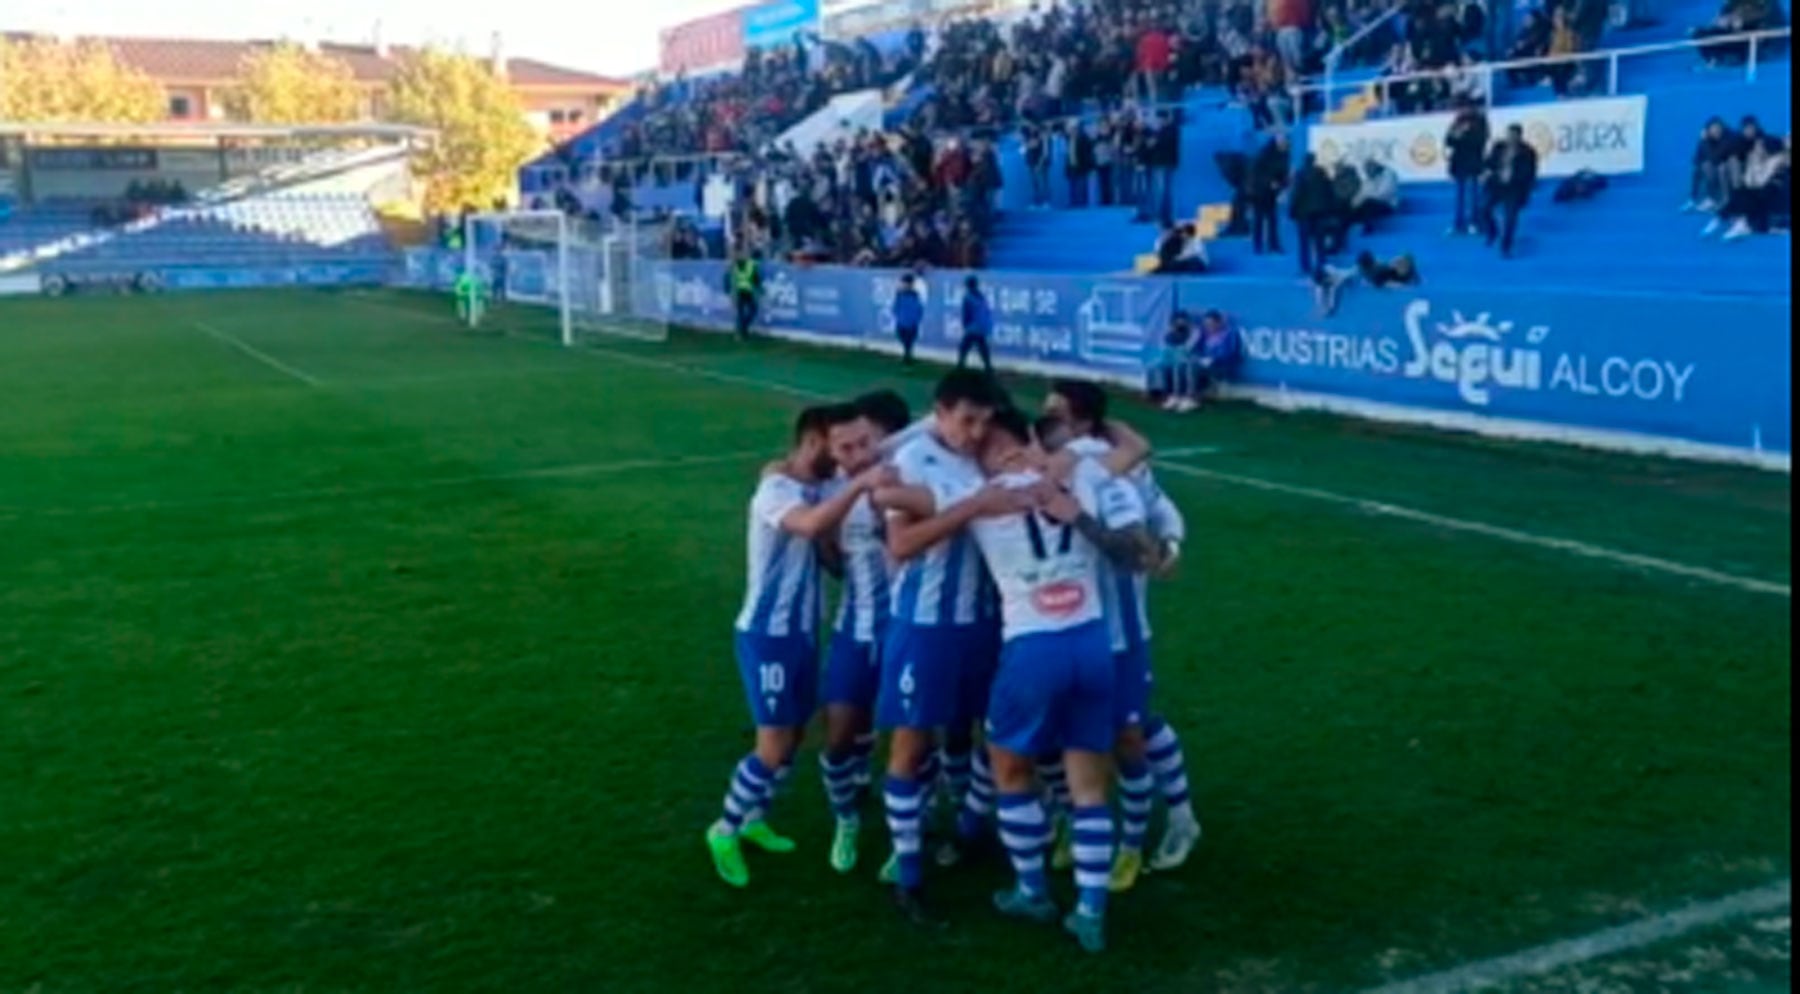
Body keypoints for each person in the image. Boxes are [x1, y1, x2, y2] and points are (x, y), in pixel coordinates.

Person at [964, 407, 1161, 954]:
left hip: (1032, 647)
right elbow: (1134, 552)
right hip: (1092, 643)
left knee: (1009, 766)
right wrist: (1072, 483)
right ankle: (1091, 912)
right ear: (1029, 437)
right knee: (1089, 783)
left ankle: (1032, 890)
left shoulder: (977, 496)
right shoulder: (1082, 476)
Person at [704, 405, 888, 889]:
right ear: (813, 444)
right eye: (838, 449)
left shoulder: (825, 486)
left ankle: (752, 820)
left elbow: (829, 543)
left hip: (803, 633)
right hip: (769, 635)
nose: (847, 458)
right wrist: (858, 487)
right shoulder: (776, 489)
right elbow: (807, 525)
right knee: (775, 743)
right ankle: (723, 830)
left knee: (793, 733)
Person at [870, 371, 1018, 925]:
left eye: (985, 421)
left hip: (985, 626)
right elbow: (902, 544)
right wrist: (973, 506)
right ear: (940, 413)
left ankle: (970, 831)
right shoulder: (910, 461)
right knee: (910, 747)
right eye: (966, 419)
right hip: (924, 629)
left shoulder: (983, 456)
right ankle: (909, 877)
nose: (977, 432)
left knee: (995, 737)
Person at [1036, 385, 1201, 879]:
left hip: (1119, 626)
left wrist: (1171, 541)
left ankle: (1163, 826)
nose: (1042, 420)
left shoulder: (1118, 469)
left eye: (1054, 414)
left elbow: (1160, 510)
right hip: (1058, 625)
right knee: (1062, 732)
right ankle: (1073, 818)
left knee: (1129, 734)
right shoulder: (1037, 464)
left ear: (1082, 425)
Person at [818, 398, 907, 874]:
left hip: (909, 632)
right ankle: (846, 819)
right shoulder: (831, 493)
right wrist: (826, 543)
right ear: (833, 451)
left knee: (912, 742)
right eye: (846, 446)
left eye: (864, 442)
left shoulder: (904, 475)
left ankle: (906, 837)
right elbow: (832, 562)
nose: (858, 453)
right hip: (854, 629)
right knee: (837, 739)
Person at [1481, 124, 1540, 258]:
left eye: (1514, 136)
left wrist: (1512, 176)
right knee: (1483, 209)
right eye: (1509, 135)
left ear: (1519, 136)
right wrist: (1489, 171)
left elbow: (1530, 174)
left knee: (1510, 218)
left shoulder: (1528, 152)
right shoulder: (1499, 147)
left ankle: (1505, 246)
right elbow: (1488, 162)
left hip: (1515, 189)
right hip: (1496, 186)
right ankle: (1492, 231)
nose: (1511, 138)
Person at [1445, 101, 1491, 236]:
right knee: (1460, 196)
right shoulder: (1457, 121)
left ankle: (1474, 222)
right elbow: (1448, 140)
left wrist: (1463, 136)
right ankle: (1458, 223)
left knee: (1473, 195)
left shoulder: (1480, 121)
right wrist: (1458, 135)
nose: (1462, 110)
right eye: (1460, 107)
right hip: (1459, 162)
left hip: (1473, 162)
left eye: (1464, 107)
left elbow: (1480, 140)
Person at [1290, 153, 1336, 275]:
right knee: (1319, 241)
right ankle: (1321, 264)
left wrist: (1292, 211)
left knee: (1304, 241)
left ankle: (1305, 266)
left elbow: (1296, 194)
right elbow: (1329, 192)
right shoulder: (1322, 174)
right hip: (1320, 212)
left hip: (1304, 213)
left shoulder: (1300, 174)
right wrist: (1329, 209)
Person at [1249, 132, 1291, 255]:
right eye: (1282, 142)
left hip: (1272, 194)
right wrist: (1269, 182)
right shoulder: (1264, 154)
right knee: (1259, 219)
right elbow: (1256, 173)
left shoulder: (1284, 155)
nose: (1284, 144)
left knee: (1272, 219)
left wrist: (1282, 186)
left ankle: (1274, 245)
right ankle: (1258, 245)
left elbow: (1284, 175)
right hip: (1259, 192)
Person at [1352, 159, 1401, 234]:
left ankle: (1368, 230)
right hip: (1371, 203)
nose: (1367, 171)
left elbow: (1383, 194)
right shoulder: (1368, 181)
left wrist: (1366, 197)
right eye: (1366, 169)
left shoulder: (1388, 175)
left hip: (1387, 205)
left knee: (1368, 204)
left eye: (1370, 167)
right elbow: (1360, 195)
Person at [957, 276, 995, 374]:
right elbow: (987, 312)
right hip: (981, 326)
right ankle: (988, 367)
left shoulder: (968, 297)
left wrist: (965, 325)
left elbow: (966, 313)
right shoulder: (982, 297)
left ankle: (961, 366)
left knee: (965, 347)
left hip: (972, 327)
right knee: (982, 347)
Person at [726, 252, 764, 339]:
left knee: (744, 312)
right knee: (746, 312)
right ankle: (742, 331)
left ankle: (741, 330)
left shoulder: (737, 267)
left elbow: (755, 278)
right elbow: (755, 278)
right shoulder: (747, 266)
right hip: (742, 292)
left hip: (743, 291)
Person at [892, 273, 925, 365]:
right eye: (903, 283)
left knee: (909, 339)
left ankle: (907, 356)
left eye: (906, 283)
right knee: (901, 336)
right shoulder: (899, 293)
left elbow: (918, 307)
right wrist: (896, 313)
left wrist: (917, 318)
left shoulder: (915, 295)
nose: (904, 285)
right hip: (902, 320)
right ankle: (907, 354)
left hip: (911, 322)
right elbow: (896, 305)